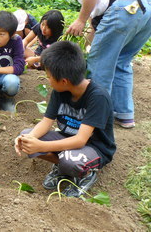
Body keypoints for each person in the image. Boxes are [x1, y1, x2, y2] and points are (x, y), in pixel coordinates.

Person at [48, 0, 151, 128]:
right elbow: (96, 27)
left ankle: (96, 119)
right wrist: (82, 51)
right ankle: (124, 115)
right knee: (121, 62)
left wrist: (80, 20)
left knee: (99, 65)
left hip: (123, 7)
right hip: (145, 6)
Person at [14, 41, 116, 198]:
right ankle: (63, 169)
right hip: (68, 139)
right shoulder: (59, 91)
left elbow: (81, 140)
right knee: (27, 136)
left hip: (95, 147)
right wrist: (28, 139)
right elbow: (46, 122)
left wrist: (41, 145)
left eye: (48, 77)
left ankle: (86, 174)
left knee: (69, 160)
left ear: (63, 81)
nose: (47, 80)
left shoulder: (98, 97)